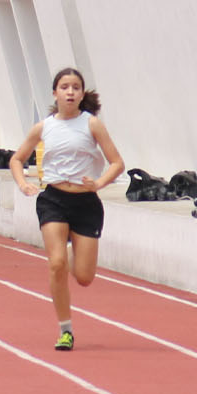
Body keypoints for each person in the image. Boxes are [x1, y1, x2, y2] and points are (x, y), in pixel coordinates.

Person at [9, 67, 125, 352]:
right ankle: (66, 330)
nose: (70, 92)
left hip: (85, 203)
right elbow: (17, 159)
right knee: (56, 263)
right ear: (55, 93)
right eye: (64, 87)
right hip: (53, 199)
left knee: (84, 277)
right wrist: (24, 183)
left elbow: (117, 163)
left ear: (82, 93)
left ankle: (73, 248)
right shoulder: (43, 127)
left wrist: (97, 183)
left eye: (75, 87)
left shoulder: (92, 124)